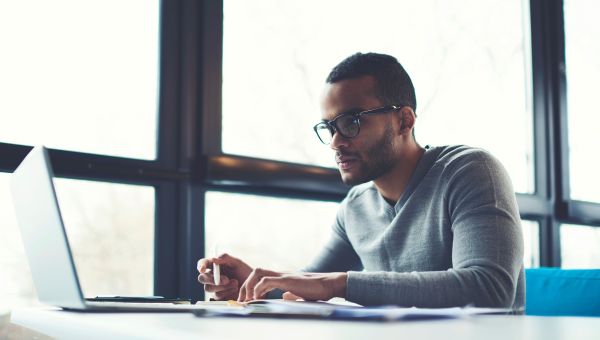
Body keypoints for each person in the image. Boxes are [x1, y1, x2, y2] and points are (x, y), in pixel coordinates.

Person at [197, 52, 524, 309]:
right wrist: (252, 284)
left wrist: (338, 284)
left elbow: (489, 289)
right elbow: (308, 285)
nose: (337, 141)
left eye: (351, 121)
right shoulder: (356, 208)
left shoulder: (470, 171)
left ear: (403, 120)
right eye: (329, 127)